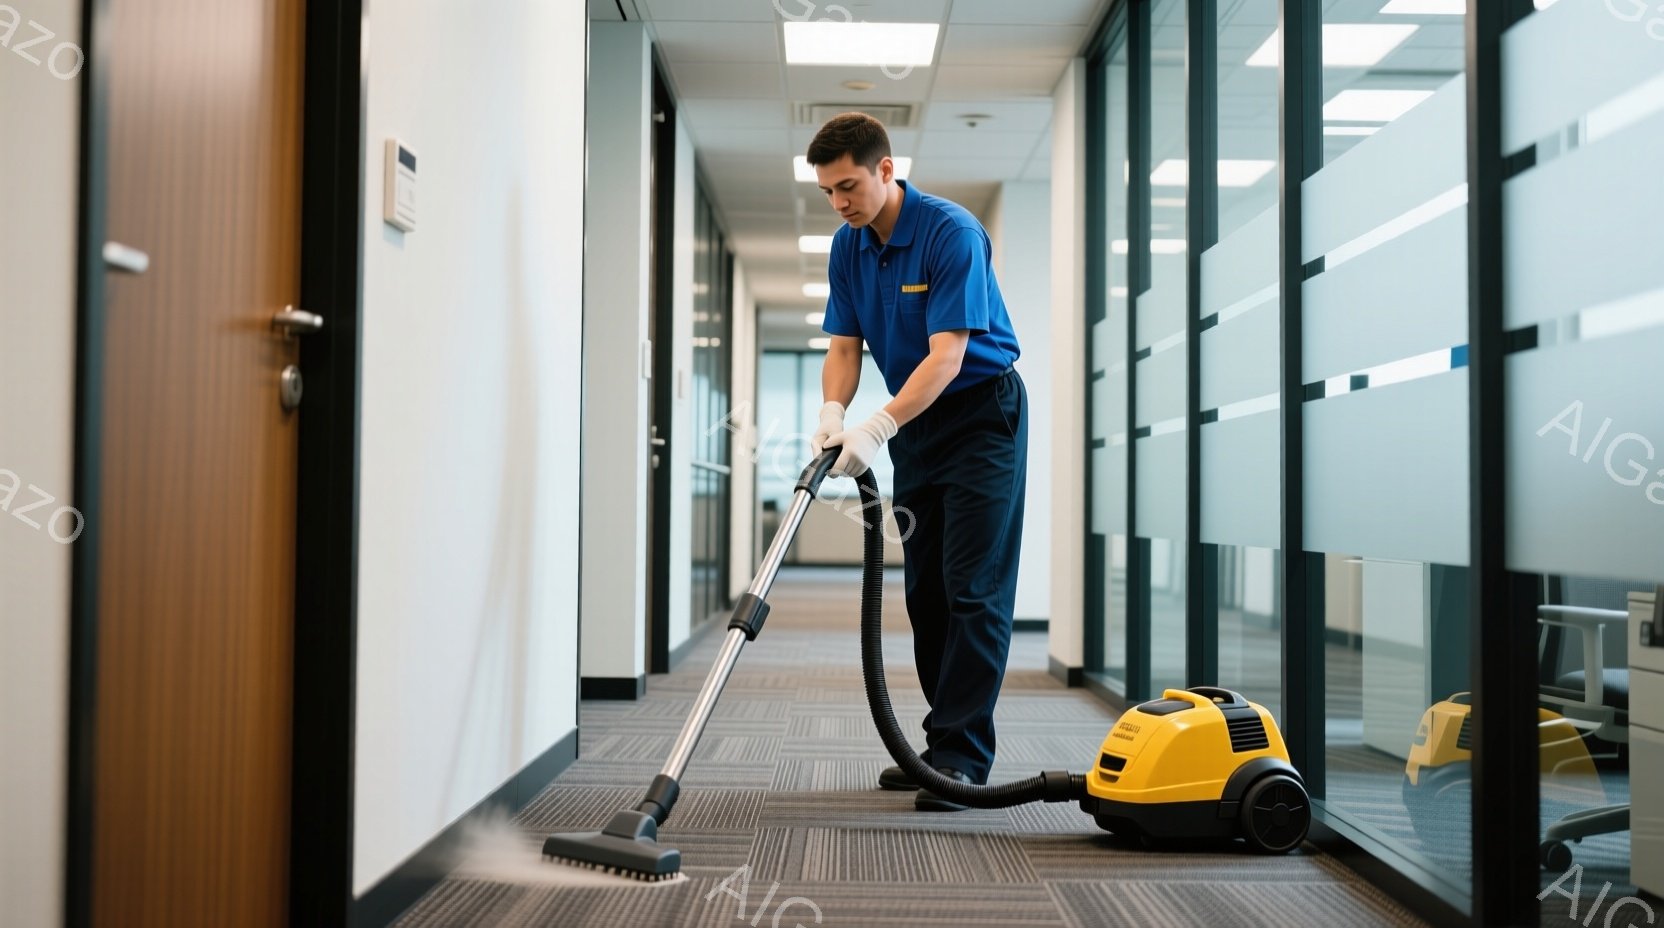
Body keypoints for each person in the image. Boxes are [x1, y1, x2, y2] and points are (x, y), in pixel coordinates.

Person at [805, 112, 1027, 812]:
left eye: (849, 186)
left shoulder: (950, 232)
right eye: (829, 192)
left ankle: (961, 755)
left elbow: (949, 355)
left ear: (886, 170)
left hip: (981, 415)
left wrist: (876, 425)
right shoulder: (848, 247)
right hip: (918, 426)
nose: (840, 203)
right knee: (925, 593)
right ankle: (941, 746)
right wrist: (834, 414)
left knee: (972, 586)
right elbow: (844, 347)